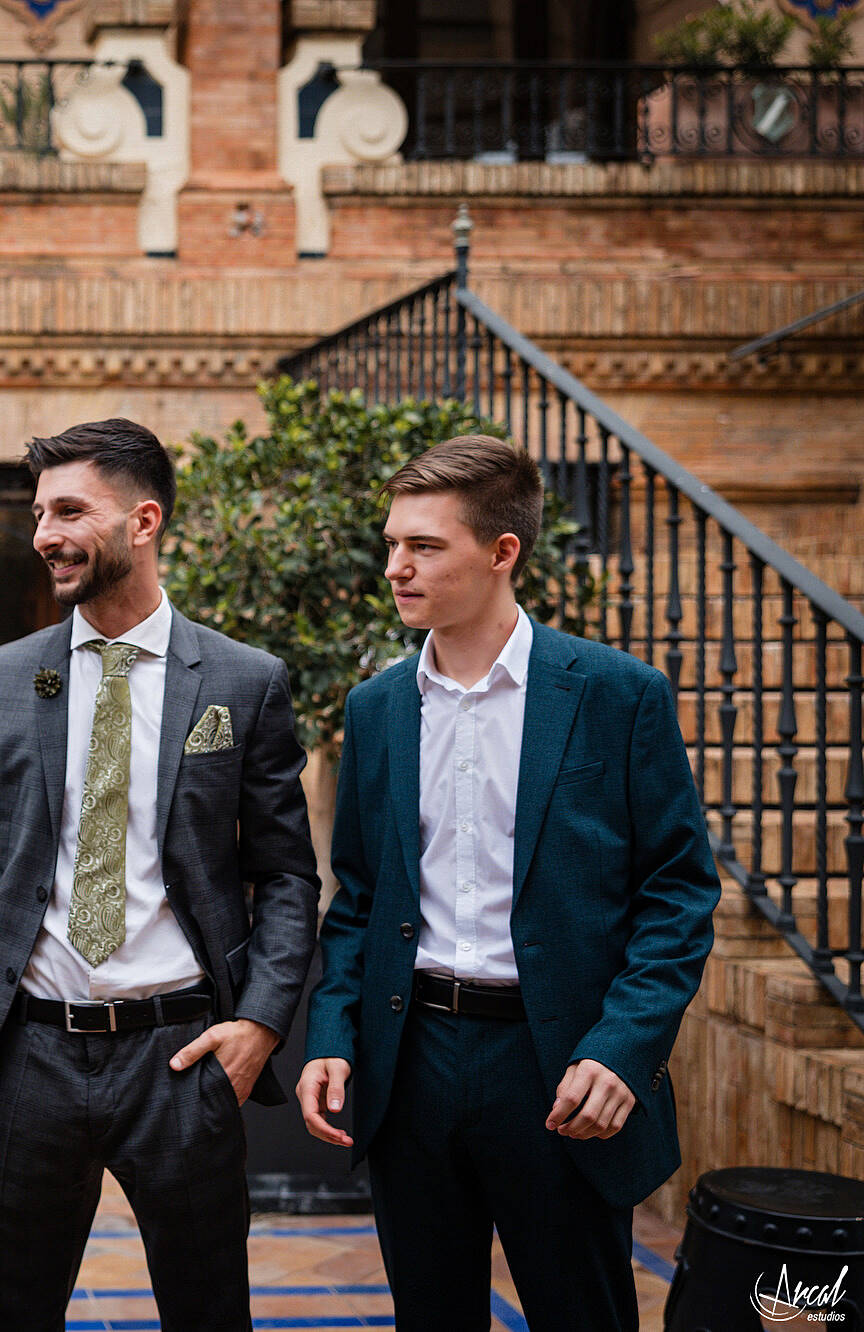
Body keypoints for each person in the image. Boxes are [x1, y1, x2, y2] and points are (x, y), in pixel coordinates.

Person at [297, 434, 718, 1331]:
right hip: (410, 1066)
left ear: (502, 553)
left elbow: (677, 893)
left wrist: (622, 1048)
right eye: (391, 544)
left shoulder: (616, 694)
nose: (394, 568)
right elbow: (361, 896)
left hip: (558, 1063)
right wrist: (334, 1033)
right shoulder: (376, 708)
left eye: (422, 546)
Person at [0, 418, 318, 1331]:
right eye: (38, 513)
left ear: (143, 521)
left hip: (181, 1055)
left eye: (71, 510)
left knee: (208, 1311)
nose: (44, 536)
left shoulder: (243, 680)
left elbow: (288, 875)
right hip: (29, 1055)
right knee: (15, 1314)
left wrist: (259, 1024)